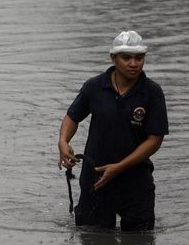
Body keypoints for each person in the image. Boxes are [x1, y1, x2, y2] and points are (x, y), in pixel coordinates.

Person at [58, 30, 168, 231]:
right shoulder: (94, 87)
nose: (133, 64)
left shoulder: (152, 92)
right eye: (126, 58)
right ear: (113, 58)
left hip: (136, 183)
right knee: (92, 244)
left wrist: (119, 167)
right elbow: (72, 117)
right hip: (96, 179)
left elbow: (155, 140)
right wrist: (63, 143)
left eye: (139, 58)